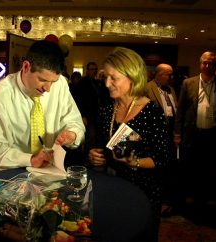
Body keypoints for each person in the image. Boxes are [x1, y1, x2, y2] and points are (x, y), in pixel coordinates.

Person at [88, 47, 170, 240]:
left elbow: (162, 159)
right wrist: (95, 156)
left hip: (143, 193)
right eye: (105, 77)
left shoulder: (152, 113)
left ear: (132, 76)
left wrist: (135, 163)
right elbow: (101, 148)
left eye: (113, 78)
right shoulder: (107, 110)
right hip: (111, 190)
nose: (107, 83)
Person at [0, 40, 85, 170]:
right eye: (43, 80)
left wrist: (72, 134)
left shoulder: (60, 85)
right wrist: (30, 159)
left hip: (51, 170)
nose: (48, 89)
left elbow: (75, 122)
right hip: (15, 172)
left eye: (53, 82)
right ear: (26, 67)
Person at [174, 51, 216, 219]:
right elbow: (180, 110)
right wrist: (177, 133)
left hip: (211, 137)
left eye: (211, 64)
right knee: (185, 171)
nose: (207, 66)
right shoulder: (189, 83)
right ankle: (179, 205)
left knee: (206, 173)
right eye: (205, 63)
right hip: (190, 135)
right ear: (200, 64)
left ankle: (200, 207)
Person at [146, 64, 179, 216]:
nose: (171, 78)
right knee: (156, 167)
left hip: (170, 134)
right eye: (168, 74)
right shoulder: (147, 88)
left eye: (172, 75)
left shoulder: (171, 90)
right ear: (157, 74)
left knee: (169, 167)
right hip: (154, 135)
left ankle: (166, 199)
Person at [77, 62, 110, 157]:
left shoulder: (99, 82)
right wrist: (82, 115)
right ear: (87, 70)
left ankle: (95, 157)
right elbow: (79, 100)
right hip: (88, 115)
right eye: (92, 69)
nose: (94, 71)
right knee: (90, 137)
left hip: (99, 115)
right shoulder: (83, 83)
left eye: (95, 69)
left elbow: (105, 96)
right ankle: (87, 158)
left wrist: (101, 82)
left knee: (98, 138)